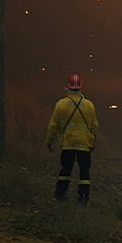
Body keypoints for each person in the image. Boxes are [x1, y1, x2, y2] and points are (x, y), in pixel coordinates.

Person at [46, 74, 99, 203]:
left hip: (68, 143)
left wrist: (49, 142)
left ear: (67, 88)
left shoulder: (60, 104)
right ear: (81, 88)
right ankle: (83, 196)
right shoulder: (89, 105)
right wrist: (92, 143)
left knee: (66, 169)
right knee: (84, 171)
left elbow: (53, 126)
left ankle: (60, 193)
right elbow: (94, 127)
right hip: (84, 144)